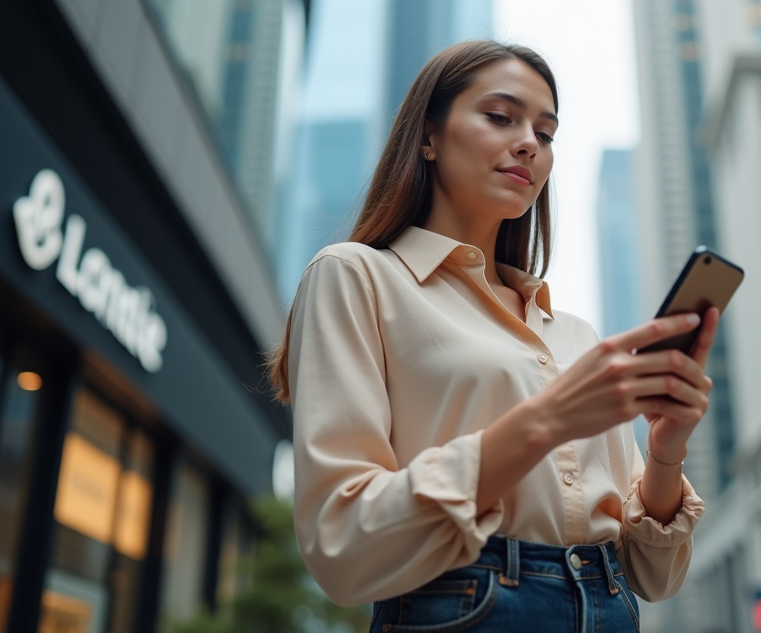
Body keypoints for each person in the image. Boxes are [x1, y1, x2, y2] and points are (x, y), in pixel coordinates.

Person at [269, 40, 718, 632]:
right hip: (463, 606)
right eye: (501, 117)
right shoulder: (358, 276)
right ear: (428, 136)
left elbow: (651, 576)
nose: (530, 142)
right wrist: (546, 421)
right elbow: (341, 542)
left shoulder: (575, 335)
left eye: (547, 132)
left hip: (610, 606)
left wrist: (665, 450)